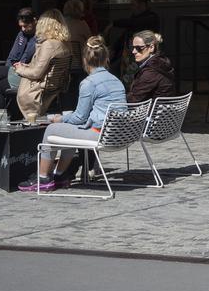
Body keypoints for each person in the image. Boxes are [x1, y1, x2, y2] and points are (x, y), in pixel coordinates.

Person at [18, 36, 127, 192]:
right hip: (118, 134)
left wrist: (58, 119)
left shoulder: (89, 83)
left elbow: (79, 118)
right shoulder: (116, 80)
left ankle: (42, 178)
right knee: (69, 127)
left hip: (101, 134)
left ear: (84, 60)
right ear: (106, 58)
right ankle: (60, 175)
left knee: (51, 130)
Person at [14, 10, 73, 121]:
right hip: (54, 85)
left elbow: (36, 73)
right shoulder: (66, 43)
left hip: (39, 86)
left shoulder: (49, 44)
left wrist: (20, 69)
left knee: (0, 85)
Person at [0, 8, 38, 117]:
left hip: (27, 75)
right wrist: (10, 73)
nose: (23, 29)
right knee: (0, 84)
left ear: (34, 21)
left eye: (26, 26)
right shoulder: (21, 35)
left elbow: (28, 60)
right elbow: (11, 57)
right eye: (21, 26)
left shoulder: (39, 38)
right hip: (16, 71)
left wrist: (14, 70)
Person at [128, 30, 176, 103]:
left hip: (150, 113)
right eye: (132, 47)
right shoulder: (160, 63)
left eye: (138, 48)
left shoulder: (151, 71)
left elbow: (134, 99)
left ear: (151, 47)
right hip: (161, 111)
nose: (134, 51)